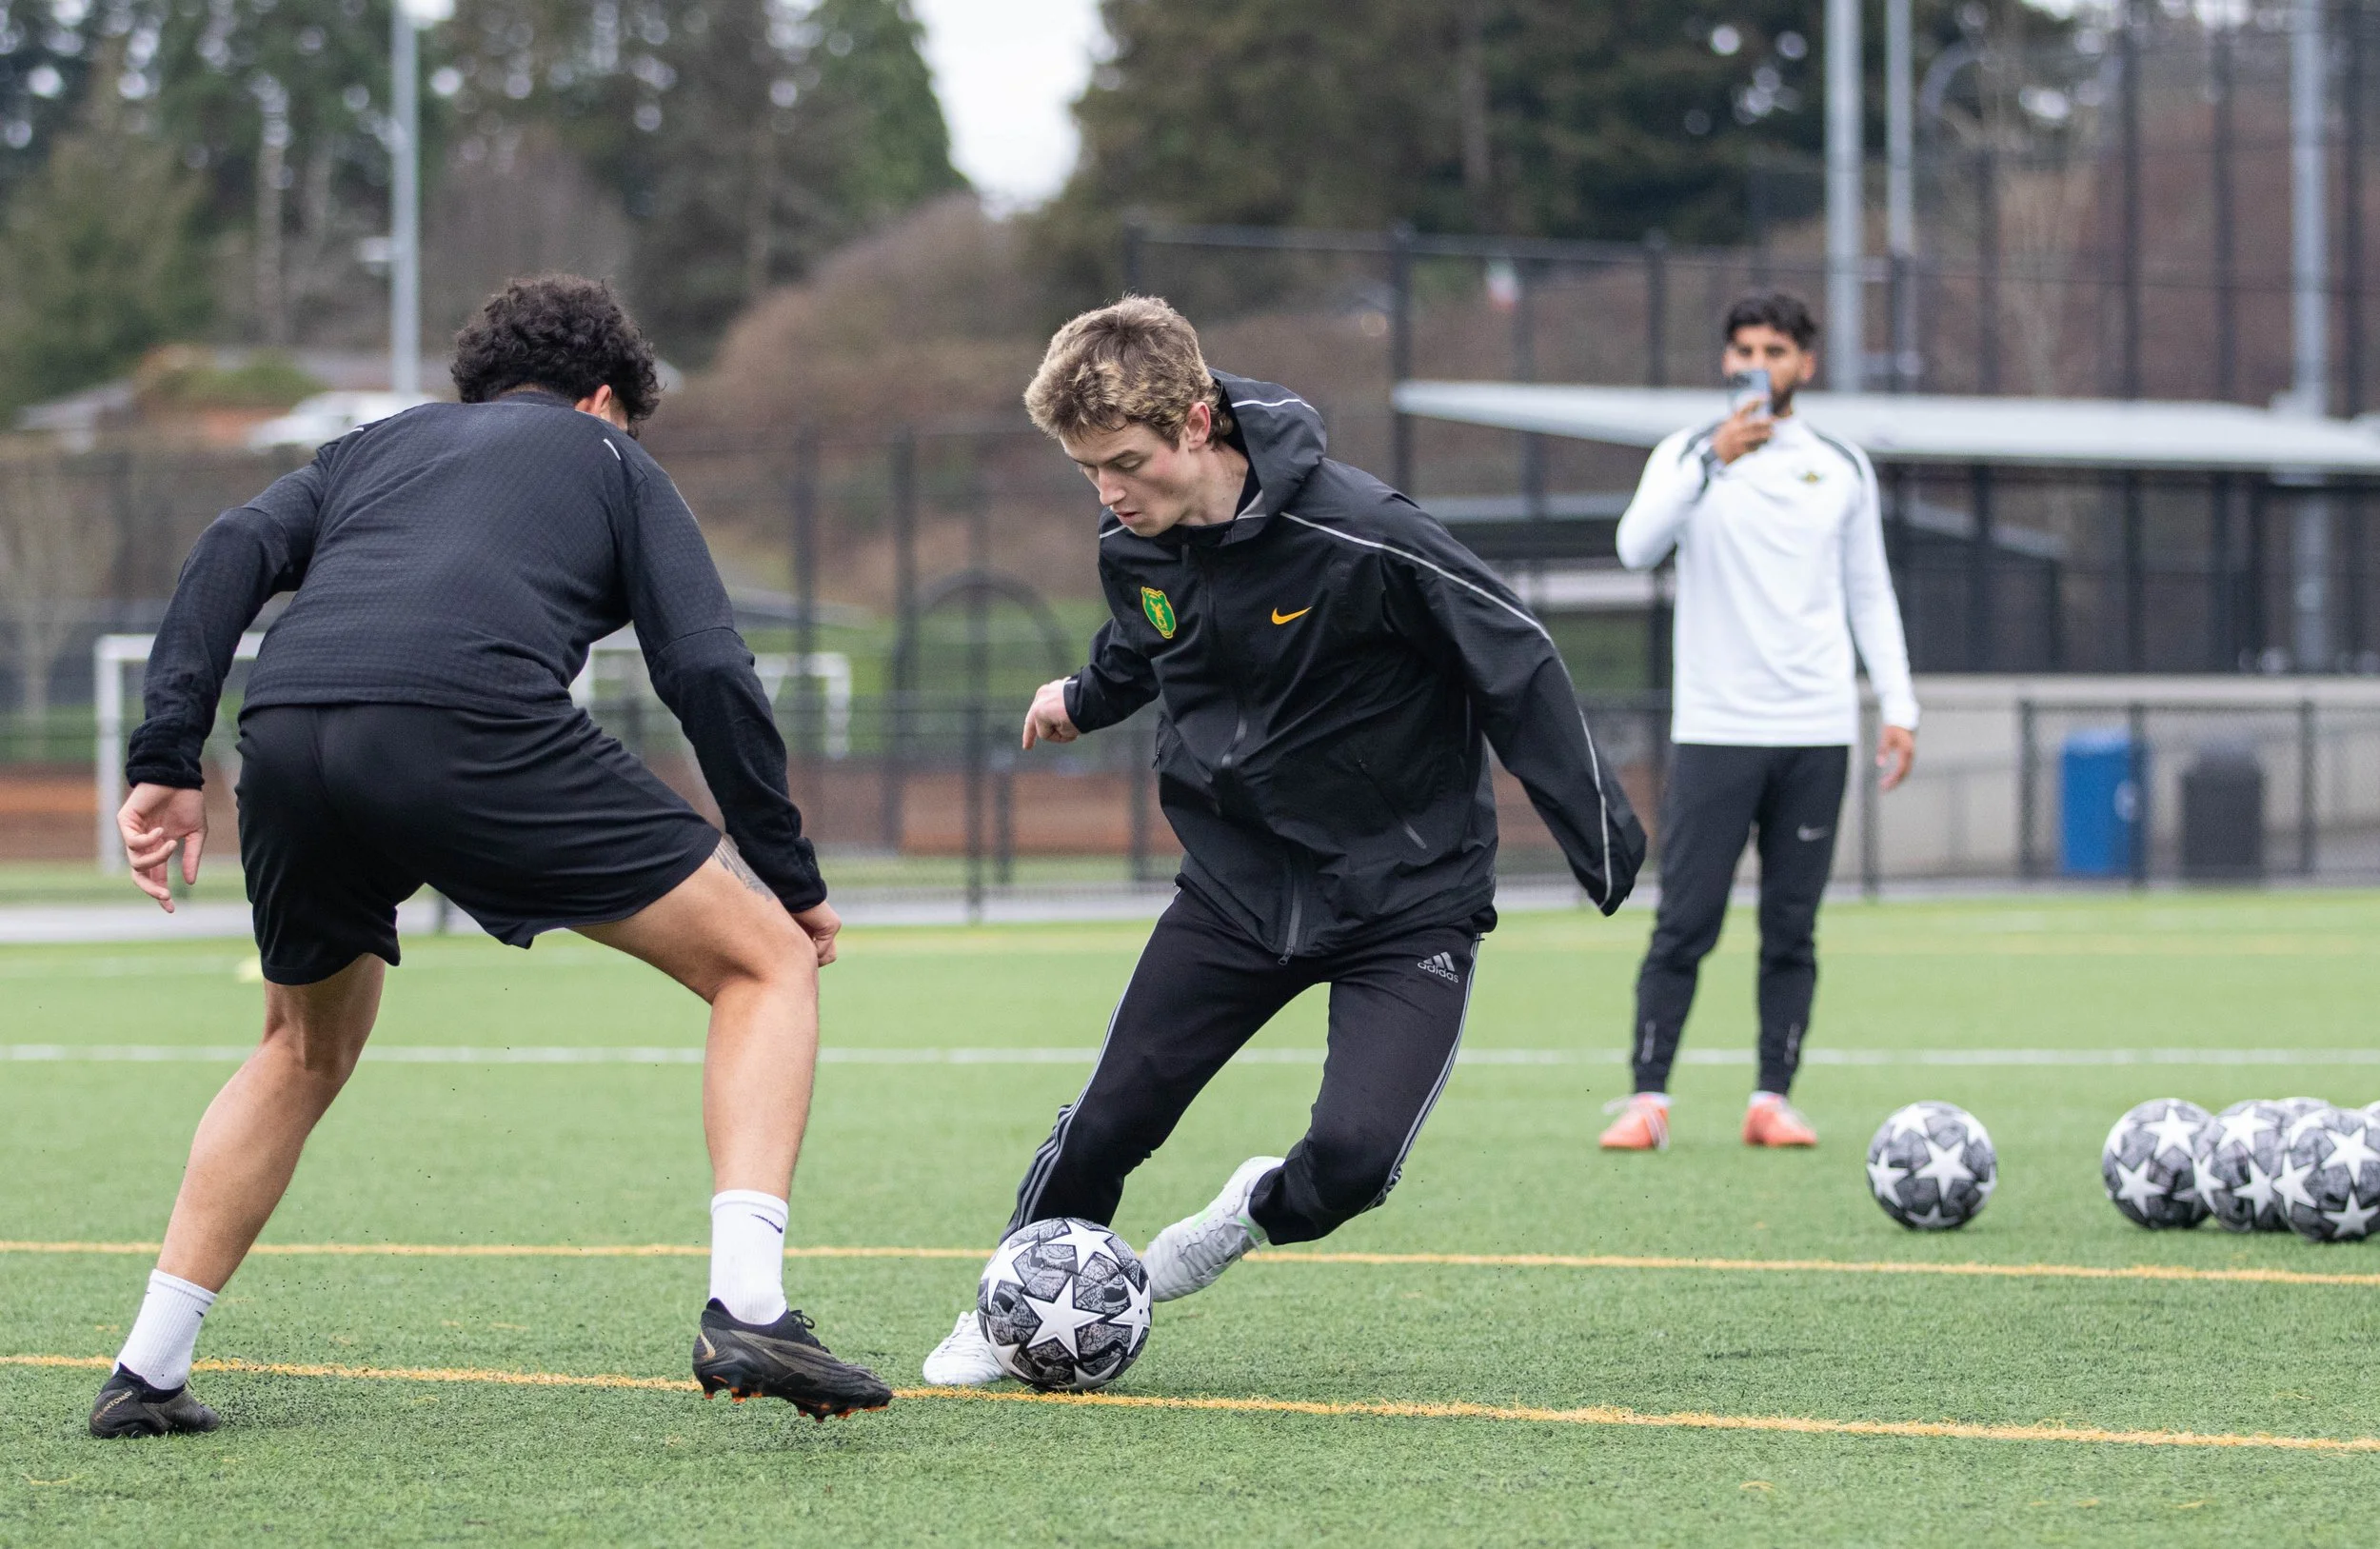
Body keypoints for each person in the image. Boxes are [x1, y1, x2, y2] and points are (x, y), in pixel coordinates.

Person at [90, 275, 891, 1438]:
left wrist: (166, 753)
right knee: (763, 963)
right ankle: (750, 1305)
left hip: (289, 732)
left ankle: (145, 1369)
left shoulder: (372, 448)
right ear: (605, 398)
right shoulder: (612, 460)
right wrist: (792, 881)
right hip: (466, 722)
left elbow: (230, 546)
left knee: (299, 1048)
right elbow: (709, 668)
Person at [921, 297, 1645, 1384]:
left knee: (1354, 1161)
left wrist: (1596, 830)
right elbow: (1148, 637)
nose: (1108, 492)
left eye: (1124, 463)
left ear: (1196, 422)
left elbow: (1514, 652)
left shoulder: (1364, 532)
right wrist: (1083, 695)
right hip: (1237, 886)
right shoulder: (1135, 542)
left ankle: (1247, 1213)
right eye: (1087, 471)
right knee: (1109, 1119)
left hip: (1405, 899)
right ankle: (1004, 1310)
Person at [1597, 291, 1918, 1153]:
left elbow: (1869, 592)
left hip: (1817, 729)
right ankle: (1647, 1099)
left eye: (1775, 350)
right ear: (1725, 360)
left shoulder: (1841, 466)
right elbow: (1634, 546)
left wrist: (1900, 705)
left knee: (1791, 927)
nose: (1757, 364)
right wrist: (1713, 459)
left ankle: (1772, 1098)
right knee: (1686, 920)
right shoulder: (1686, 455)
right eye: (1744, 349)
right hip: (1716, 729)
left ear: (1804, 364)